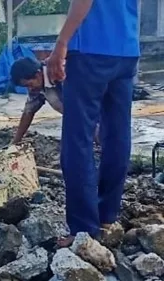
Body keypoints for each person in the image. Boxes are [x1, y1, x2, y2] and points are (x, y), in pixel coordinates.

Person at [47, 0, 139, 246]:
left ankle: (83, 229)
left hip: (89, 49)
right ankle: (107, 216)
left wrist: (62, 42)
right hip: (127, 49)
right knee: (117, 135)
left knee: (78, 140)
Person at [9, 57, 63, 144]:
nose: (30, 89)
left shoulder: (59, 75)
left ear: (38, 74)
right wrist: (16, 141)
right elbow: (28, 112)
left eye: (29, 84)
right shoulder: (37, 86)